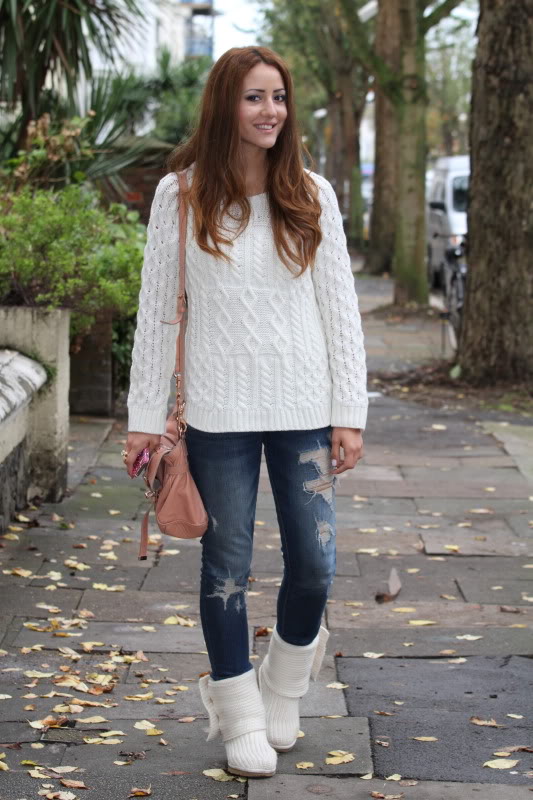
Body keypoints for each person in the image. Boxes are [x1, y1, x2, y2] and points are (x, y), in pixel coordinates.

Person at [123, 46, 368, 779]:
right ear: (225, 103)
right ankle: (237, 714)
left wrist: (348, 410)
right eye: (255, 97)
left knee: (315, 565)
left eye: (279, 97)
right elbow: (158, 312)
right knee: (226, 566)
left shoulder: (311, 192)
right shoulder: (180, 195)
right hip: (218, 412)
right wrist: (143, 416)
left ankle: (284, 688)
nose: (271, 111)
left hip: (304, 409)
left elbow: (340, 309)